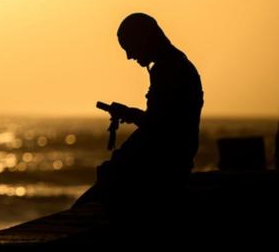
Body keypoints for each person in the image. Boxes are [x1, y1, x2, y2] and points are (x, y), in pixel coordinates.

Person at [74, 13, 204, 215]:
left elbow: (162, 129)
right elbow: (163, 121)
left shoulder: (168, 70)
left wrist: (132, 117)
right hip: (172, 163)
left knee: (87, 204)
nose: (129, 56)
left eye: (129, 48)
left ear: (144, 39)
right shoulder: (174, 65)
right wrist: (131, 114)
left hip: (163, 169)